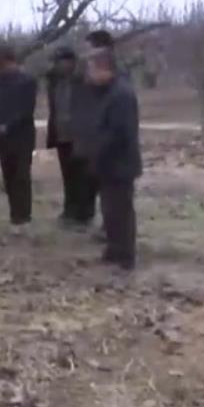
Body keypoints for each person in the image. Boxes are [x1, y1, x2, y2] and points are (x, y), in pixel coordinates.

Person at [83, 47, 143, 270]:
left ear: (104, 69)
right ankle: (113, 249)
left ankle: (125, 256)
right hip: (107, 163)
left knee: (121, 211)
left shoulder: (121, 94)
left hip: (119, 163)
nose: (89, 75)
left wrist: (98, 151)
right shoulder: (106, 92)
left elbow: (118, 132)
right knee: (109, 210)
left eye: (92, 69)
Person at [45, 46, 99, 231]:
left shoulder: (84, 81)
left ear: (71, 62)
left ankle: (85, 214)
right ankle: (69, 210)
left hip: (81, 136)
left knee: (84, 176)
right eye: (56, 62)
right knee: (68, 176)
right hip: (62, 135)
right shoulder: (54, 81)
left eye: (61, 61)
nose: (58, 65)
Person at [0, 45, 38, 226]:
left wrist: (8, 125)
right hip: (1, 138)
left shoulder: (27, 81)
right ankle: (14, 214)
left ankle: (24, 215)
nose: (1, 69)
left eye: (3, 65)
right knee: (8, 176)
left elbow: (27, 109)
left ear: (11, 62)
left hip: (22, 136)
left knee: (21, 176)